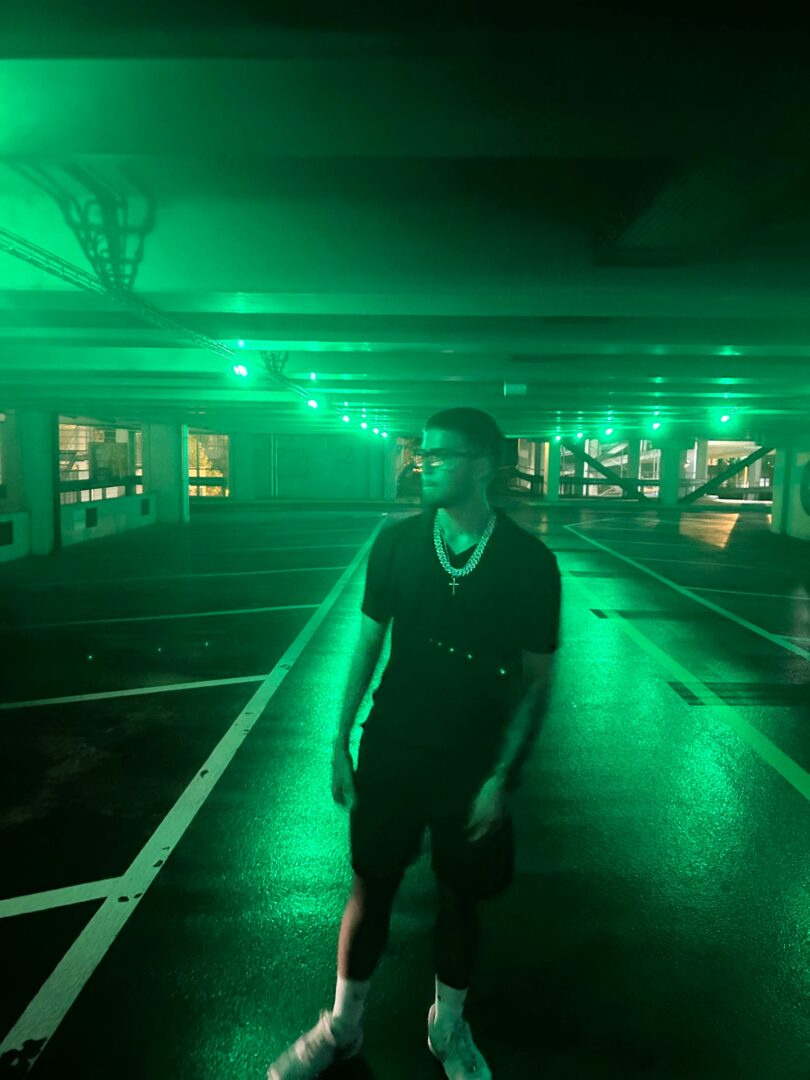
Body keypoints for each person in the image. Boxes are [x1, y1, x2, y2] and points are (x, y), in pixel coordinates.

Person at [267, 407, 561, 1079]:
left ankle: (447, 1028)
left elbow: (537, 680)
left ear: (484, 465)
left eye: (441, 455)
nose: (423, 464)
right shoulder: (397, 543)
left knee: (460, 897)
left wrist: (502, 776)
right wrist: (339, 737)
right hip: (394, 745)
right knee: (371, 885)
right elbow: (367, 641)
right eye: (422, 452)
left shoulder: (529, 561)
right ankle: (342, 1027)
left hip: (474, 759)